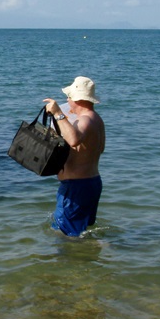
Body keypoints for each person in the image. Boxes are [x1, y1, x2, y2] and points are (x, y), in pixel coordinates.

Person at [43, 76, 105, 237]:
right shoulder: (97, 120)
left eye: (69, 97)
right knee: (82, 231)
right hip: (91, 183)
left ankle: (100, 248)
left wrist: (58, 113)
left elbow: (74, 139)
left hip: (75, 187)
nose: (67, 100)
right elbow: (101, 148)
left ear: (77, 100)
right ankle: (92, 253)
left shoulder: (84, 120)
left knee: (67, 235)